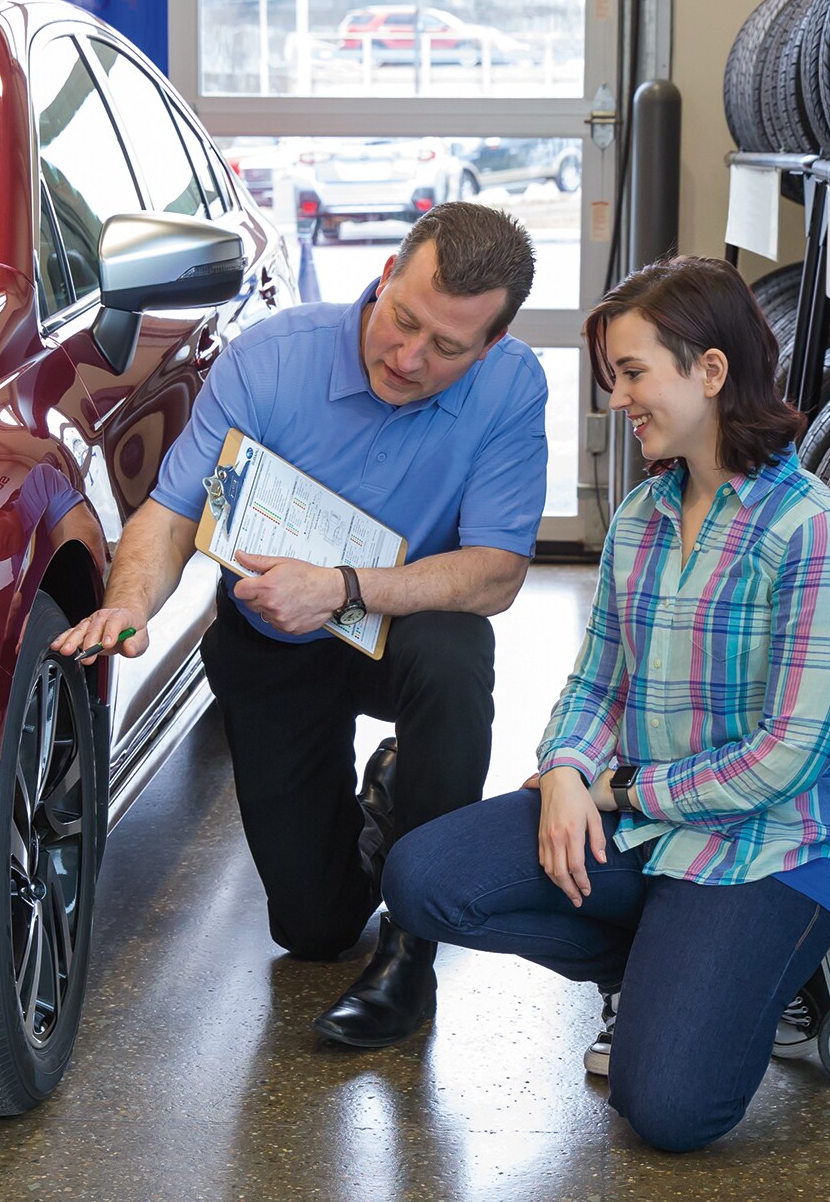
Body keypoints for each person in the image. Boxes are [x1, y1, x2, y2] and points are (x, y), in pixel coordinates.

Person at [384, 255, 830, 1152]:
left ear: (712, 372)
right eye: (614, 378)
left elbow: (787, 757)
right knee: (423, 882)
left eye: (634, 374)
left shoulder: (812, 532)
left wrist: (616, 792)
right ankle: (672, 972)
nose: (617, 400)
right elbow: (596, 679)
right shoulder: (643, 519)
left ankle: (756, 970)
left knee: (668, 1111)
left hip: (765, 852)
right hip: (642, 833)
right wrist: (568, 768)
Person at [53, 200, 549, 1047]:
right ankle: (386, 804)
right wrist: (128, 604)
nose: (408, 356)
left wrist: (346, 587)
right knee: (312, 930)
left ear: (491, 345)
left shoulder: (512, 385)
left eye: (448, 349)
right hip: (274, 638)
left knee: (455, 652)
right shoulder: (269, 362)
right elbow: (172, 514)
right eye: (403, 321)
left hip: (398, 626)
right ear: (387, 275)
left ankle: (412, 949)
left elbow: (496, 572)